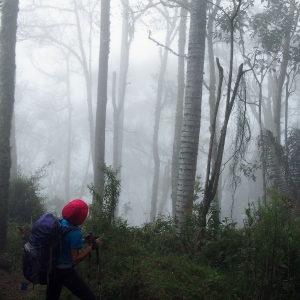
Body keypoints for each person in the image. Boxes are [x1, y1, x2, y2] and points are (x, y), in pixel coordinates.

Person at [45, 199, 100, 300]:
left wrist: (84, 240)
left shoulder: (61, 221)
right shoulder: (75, 233)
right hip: (65, 272)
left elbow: (64, 242)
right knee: (89, 298)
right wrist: (91, 247)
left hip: (52, 269)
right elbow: (75, 260)